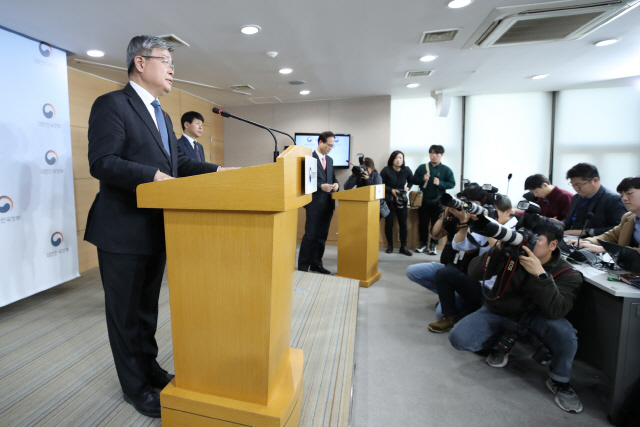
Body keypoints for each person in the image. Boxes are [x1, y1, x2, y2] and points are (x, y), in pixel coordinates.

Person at [84, 35, 235, 418]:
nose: (172, 69)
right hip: (121, 229)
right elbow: (102, 161)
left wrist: (219, 171)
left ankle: (149, 368)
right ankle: (134, 388)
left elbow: (178, 168)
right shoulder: (112, 105)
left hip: (156, 228)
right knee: (125, 313)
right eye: (166, 60)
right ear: (140, 62)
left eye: (172, 63)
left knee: (147, 310)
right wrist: (151, 175)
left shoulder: (164, 116)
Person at [448, 217, 584, 413]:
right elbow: (474, 272)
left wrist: (541, 275)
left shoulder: (568, 273)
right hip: (501, 310)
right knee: (459, 339)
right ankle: (500, 343)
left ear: (553, 244)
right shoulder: (509, 254)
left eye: (535, 239)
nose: (525, 242)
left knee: (566, 334)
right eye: (524, 236)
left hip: (539, 317)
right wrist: (499, 250)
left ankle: (559, 380)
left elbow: (556, 311)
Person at [428, 194, 518, 333]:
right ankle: (449, 316)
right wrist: (465, 223)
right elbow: (459, 246)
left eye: (496, 213)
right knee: (444, 273)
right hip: (479, 284)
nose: (492, 217)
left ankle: (472, 313)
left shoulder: (517, 230)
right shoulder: (486, 226)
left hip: (497, 292)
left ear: (508, 211)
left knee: (465, 333)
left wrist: (489, 226)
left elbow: (499, 250)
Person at [406, 183, 487, 317]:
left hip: (465, 276)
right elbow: (434, 234)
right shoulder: (457, 219)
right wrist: (444, 215)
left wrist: (464, 221)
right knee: (412, 271)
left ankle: (463, 301)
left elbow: (468, 250)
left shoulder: (481, 223)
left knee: (440, 313)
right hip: (449, 268)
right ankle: (447, 293)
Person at [298, 131, 339, 274]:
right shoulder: (309, 158)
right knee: (310, 236)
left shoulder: (330, 160)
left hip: (328, 203)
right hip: (314, 203)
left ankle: (316, 264)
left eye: (332, 146)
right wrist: (320, 186)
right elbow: (304, 182)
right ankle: (303, 267)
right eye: (328, 145)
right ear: (320, 142)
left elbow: (334, 177)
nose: (330, 148)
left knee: (322, 237)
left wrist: (336, 184)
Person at [571, 176, 640, 254]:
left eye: (629, 193)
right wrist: (587, 241)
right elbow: (610, 236)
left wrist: (605, 249)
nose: (624, 198)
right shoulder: (628, 217)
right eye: (621, 195)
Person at [412, 145, 455, 255]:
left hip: (439, 202)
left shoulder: (446, 169)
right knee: (423, 223)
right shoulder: (423, 167)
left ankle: (433, 245)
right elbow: (414, 179)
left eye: (436, 154)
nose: (434, 156)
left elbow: (452, 183)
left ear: (441, 155)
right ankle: (422, 244)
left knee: (436, 224)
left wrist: (440, 183)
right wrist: (423, 179)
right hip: (424, 201)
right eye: (431, 153)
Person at [563, 163, 626, 236]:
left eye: (578, 185)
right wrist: (561, 224)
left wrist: (587, 232)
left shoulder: (613, 199)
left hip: (597, 243)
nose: (575, 188)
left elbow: (619, 229)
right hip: (573, 240)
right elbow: (570, 220)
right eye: (573, 184)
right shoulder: (576, 198)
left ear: (595, 180)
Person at [380, 151, 413, 256]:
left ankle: (403, 247)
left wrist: (408, 187)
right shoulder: (386, 170)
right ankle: (390, 246)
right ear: (392, 159)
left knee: (403, 223)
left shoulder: (406, 170)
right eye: (397, 158)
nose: (399, 160)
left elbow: (412, 180)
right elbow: (381, 184)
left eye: (401, 158)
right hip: (389, 200)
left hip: (402, 200)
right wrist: (391, 190)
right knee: (389, 223)